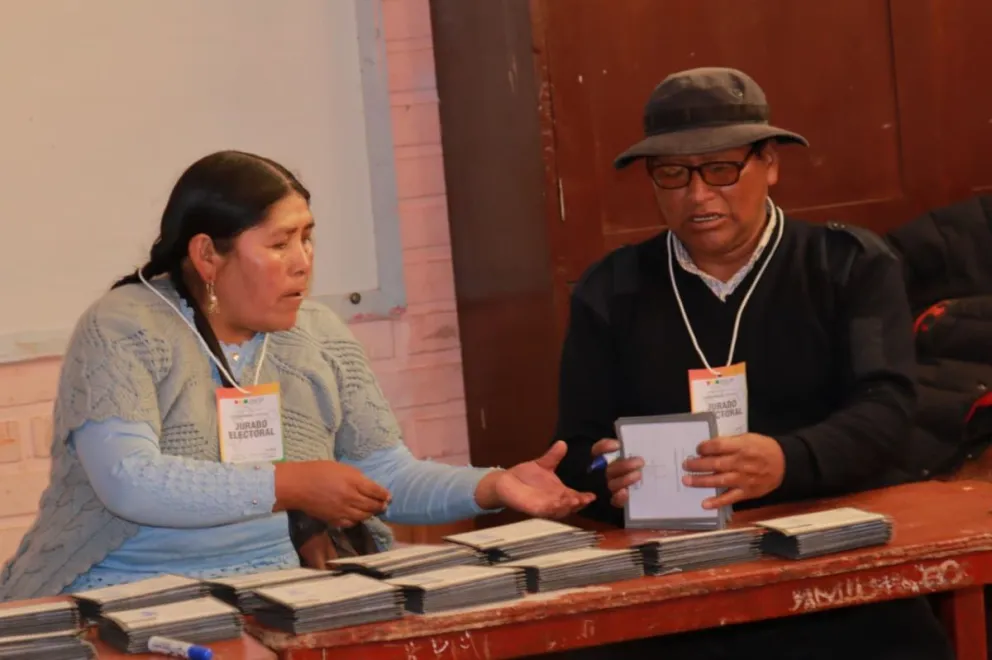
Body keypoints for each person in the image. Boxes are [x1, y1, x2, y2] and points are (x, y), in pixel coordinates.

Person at [0, 150, 595, 600]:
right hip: (123, 595)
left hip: (277, 592)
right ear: (208, 255)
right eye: (280, 242)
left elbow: (381, 475)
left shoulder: (319, 332)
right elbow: (130, 482)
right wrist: (291, 484)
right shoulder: (123, 326)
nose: (304, 261)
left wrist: (492, 487)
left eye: (308, 237)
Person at [551, 68, 953, 659]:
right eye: (672, 174)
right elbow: (574, 445)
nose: (697, 194)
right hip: (674, 569)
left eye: (720, 169)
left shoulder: (848, 265)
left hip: (832, 553)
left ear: (770, 163)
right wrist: (603, 475)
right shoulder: (610, 288)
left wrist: (786, 460)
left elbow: (887, 411)